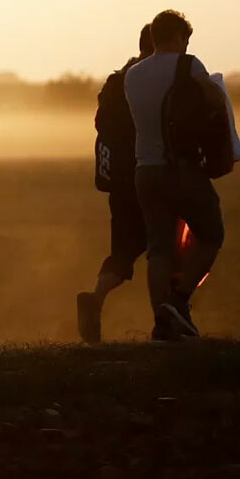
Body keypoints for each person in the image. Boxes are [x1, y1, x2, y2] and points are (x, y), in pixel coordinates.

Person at [124, 10, 227, 340]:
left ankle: (161, 323)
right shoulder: (189, 65)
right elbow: (214, 101)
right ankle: (179, 302)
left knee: (159, 249)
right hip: (180, 167)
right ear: (179, 36)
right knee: (211, 233)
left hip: (144, 169)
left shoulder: (133, 74)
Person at [77, 25, 153, 343]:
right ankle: (171, 315)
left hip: (120, 181)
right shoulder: (152, 80)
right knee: (167, 246)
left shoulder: (114, 82)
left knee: (122, 251)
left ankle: (95, 298)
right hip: (150, 173)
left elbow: (101, 124)